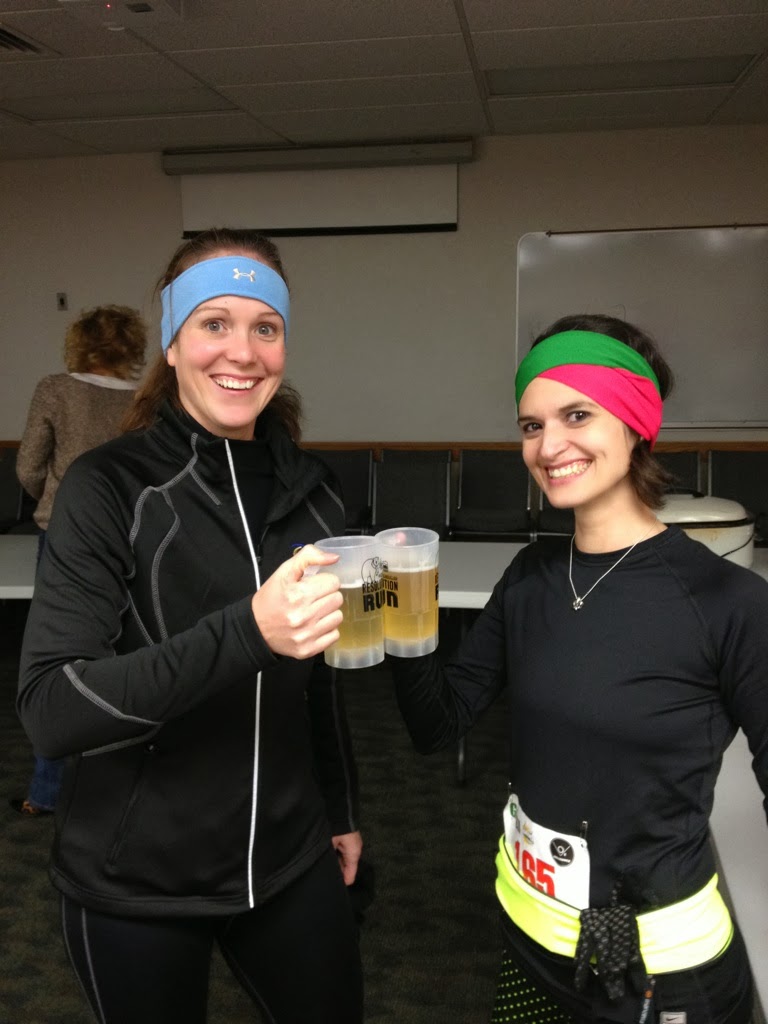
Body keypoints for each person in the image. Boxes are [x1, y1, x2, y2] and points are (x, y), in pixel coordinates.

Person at [17, 227, 364, 1024]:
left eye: (265, 327)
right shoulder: (108, 486)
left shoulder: (316, 490)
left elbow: (320, 681)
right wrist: (248, 632)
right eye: (214, 323)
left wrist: (341, 809)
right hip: (137, 875)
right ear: (172, 344)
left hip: (288, 856)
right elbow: (52, 709)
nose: (242, 351)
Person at [390, 313, 765, 1023]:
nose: (548, 445)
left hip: (658, 972)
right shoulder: (531, 575)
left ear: (635, 423)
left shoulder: (726, 602)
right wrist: (403, 622)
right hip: (529, 937)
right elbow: (438, 725)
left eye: (577, 415)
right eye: (531, 425)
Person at [11, 303, 148, 817]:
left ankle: (47, 793)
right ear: (132, 348)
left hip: (64, 538)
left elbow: (28, 466)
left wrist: (55, 501)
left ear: (80, 343)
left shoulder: (55, 389)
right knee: (125, 659)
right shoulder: (143, 399)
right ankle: (118, 788)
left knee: (56, 667)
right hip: (129, 537)